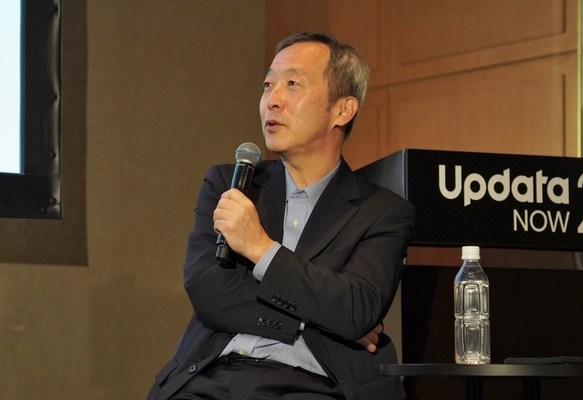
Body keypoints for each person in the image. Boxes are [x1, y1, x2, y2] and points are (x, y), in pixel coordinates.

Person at [146, 32, 415, 400]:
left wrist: (261, 248)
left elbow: (356, 309)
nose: (272, 100)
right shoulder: (231, 184)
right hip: (212, 379)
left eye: (292, 84)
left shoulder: (383, 211)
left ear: (342, 110)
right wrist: (323, 321)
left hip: (315, 386)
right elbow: (209, 291)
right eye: (268, 85)